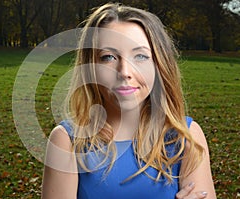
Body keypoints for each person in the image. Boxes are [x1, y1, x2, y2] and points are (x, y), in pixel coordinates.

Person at [42, 3, 216, 199]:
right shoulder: (68, 141)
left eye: (140, 56)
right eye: (108, 57)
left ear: (159, 66)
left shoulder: (185, 137)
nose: (124, 72)